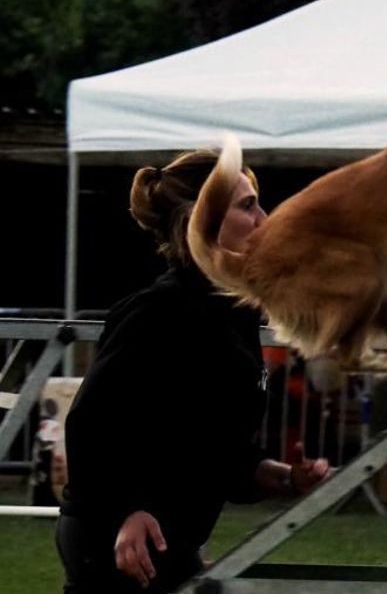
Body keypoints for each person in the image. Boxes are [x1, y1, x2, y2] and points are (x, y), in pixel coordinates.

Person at [57, 150, 333, 594]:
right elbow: (90, 424)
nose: (265, 219)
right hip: (123, 541)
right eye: (247, 206)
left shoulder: (233, 312)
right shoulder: (159, 312)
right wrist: (126, 512)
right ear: (200, 222)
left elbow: (216, 450)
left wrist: (284, 477)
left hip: (170, 541)